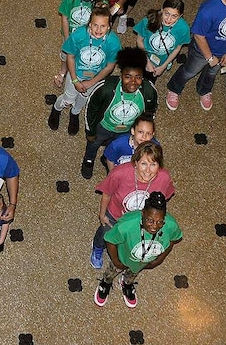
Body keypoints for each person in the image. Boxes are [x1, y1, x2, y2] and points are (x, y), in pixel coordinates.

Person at [90, 141, 175, 271]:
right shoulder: (119, 173)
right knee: (105, 234)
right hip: (116, 215)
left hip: (142, 219)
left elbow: (165, 197)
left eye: (153, 164)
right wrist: (102, 215)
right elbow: (107, 193)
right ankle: (98, 247)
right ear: (135, 163)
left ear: (159, 165)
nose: (148, 170)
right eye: (143, 164)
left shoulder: (164, 178)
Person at [80, 47, 158, 180]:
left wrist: (141, 130)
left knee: (116, 146)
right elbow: (91, 108)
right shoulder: (106, 87)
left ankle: (108, 158)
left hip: (127, 130)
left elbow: (150, 113)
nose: (133, 82)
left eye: (138, 77)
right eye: (128, 77)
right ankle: (88, 159)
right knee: (94, 143)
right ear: (121, 75)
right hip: (104, 125)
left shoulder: (149, 91)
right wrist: (90, 131)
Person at [94, 191, 181, 308]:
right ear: (142, 213)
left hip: (143, 262)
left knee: (133, 272)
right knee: (113, 270)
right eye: (150, 220)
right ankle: (106, 282)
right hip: (122, 257)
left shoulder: (171, 225)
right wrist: (115, 260)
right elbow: (110, 240)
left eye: (160, 221)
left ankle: (127, 282)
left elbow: (173, 239)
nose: (155, 226)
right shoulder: (126, 225)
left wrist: (159, 259)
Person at [49, 8, 122, 134]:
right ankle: (56, 108)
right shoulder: (79, 35)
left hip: (95, 78)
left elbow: (109, 67)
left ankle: (75, 113)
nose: (98, 30)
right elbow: (70, 57)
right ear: (89, 24)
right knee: (68, 99)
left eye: (103, 26)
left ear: (109, 26)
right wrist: (75, 79)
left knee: (84, 97)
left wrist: (91, 82)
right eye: (95, 25)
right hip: (75, 74)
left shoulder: (113, 42)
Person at [54, 0, 109, 89]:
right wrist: (68, 38)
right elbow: (64, 17)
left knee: (82, 57)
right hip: (70, 35)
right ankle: (63, 71)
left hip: (88, 38)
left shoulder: (102, 2)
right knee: (65, 55)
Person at [133, 0, 189, 81]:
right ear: (162, 9)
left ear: (180, 16)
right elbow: (139, 40)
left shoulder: (184, 28)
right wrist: (147, 61)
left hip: (160, 62)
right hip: (143, 54)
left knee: (149, 80)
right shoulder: (149, 20)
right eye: (166, 14)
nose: (169, 19)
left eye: (174, 16)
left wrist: (163, 66)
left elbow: (177, 48)